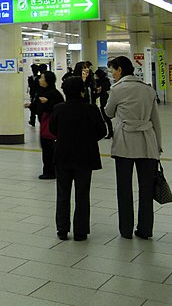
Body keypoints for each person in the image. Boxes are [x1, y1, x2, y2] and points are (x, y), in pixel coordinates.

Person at [104, 55, 162, 240]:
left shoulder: (116, 90)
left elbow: (109, 112)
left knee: (124, 188)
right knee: (146, 189)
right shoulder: (148, 90)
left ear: (120, 69)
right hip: (147, 143)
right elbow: (156, 120)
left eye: (113, 70)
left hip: (124, 144)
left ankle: (126, 229)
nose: (112, 74)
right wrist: (158, 145)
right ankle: (145, 229)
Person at [50, 76, 107, 241]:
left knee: (62, 193)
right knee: (82, 194)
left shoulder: (59, 109)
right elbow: (101, 131)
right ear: (82, 91)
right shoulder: (90, 109)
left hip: (62, 156)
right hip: (85, 156)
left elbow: (53, 129)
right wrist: (88, 139)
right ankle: (81, 231)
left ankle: (62, 229)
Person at [30, 70, 64, 179]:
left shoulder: (54, 94)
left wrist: (48, 103)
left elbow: (58, 109)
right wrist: (31, 105)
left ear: (47, 81)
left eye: (42, 78)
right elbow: (37, 107)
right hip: (44, 125)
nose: (40, 80)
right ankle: (48, 170)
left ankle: (51, 172)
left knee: (50, 149)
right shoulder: (41, 92)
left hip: (51, 127)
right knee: (46, 148)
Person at [93, 68, 113, 138]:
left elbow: (100, 91)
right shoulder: (104, 81)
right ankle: (110, 132)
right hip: (104, 99)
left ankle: (110, 132)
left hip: (104, 100)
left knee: (106, 118)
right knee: (106, 118)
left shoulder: (103, 81)